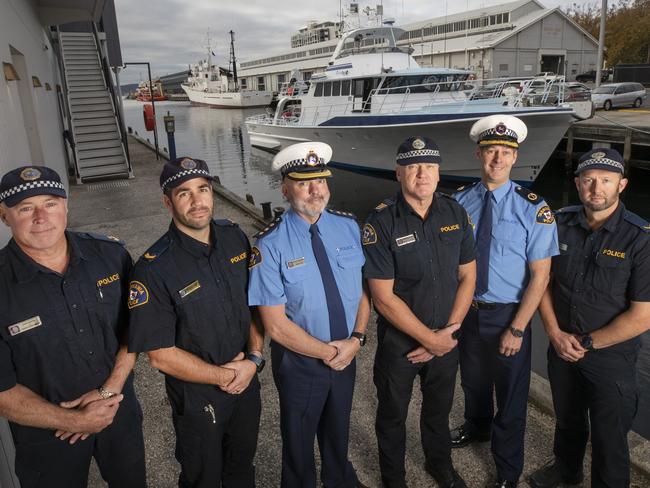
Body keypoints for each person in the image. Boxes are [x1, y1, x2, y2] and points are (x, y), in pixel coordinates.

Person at [0, 166, 146, 488]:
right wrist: (76, 419)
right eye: (26, 208)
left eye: (51, 203)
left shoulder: (111, 256)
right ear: (4, 215)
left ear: (66, 206)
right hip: (45, 435)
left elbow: (136, 331)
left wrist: (109, 391)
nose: (42, 216)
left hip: (118, 410)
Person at [127, 157, 263, 488]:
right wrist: (227, 374)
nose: (197, 200)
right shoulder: (153, 268)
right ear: (167, 202)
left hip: (246, 382)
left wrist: (255, 359)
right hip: (198, 396)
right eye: (184, 193)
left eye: (203, 189)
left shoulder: (235, 238)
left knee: (242, 468)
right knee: (202, 476)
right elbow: (159, 354)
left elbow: (255, 308)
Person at [248, 142, 370, 488]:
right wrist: (331, 352)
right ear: (285, 189)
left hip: (347, 354)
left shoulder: (348, 227)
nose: (315, 191)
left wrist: (356, 339)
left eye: (321, 181)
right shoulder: (268, 244)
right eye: (304, 183)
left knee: (338, 432)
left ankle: (339, 480)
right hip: (300, 363)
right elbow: (274, 324)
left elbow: (361, 291)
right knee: (299, 443)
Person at [528, 148, 650, 488]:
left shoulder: (640, 239)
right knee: (567, 420)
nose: (597, 188)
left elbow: (642, 316)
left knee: (610, 438)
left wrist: (586, 343)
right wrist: (553, 333)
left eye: (606, 181)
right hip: (561, 345)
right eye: (589, 179)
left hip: (610, 357)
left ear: (621, 185)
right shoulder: (559, 224)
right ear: (578, 183)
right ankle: (566, 471)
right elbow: (543, 284)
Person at [362, 136, 476, 488]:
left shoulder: (455, 212)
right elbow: (383, 298)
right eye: (412, 167)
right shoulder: (379, 222)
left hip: (448, 335)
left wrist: (450, 333)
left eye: (428, 167)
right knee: (393, 414)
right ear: (398, 173)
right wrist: (431, 340)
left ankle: (439, 465)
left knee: (438, 411)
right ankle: (393, 478)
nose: (421, 174)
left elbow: (468, 275)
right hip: (400, 344)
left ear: (439, 173)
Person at [452, 115, 558, 488]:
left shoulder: (533, 208)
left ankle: (507, 470)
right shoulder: (459, 202)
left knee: (511, 398)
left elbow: (540, 277)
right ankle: (476, 428)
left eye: (506, 152)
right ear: (479, 154)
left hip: (507, 315)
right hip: (467, 313)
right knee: (474, 383)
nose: (498, 158)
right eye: (491, 151)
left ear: (515, 158)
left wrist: (517, 327)